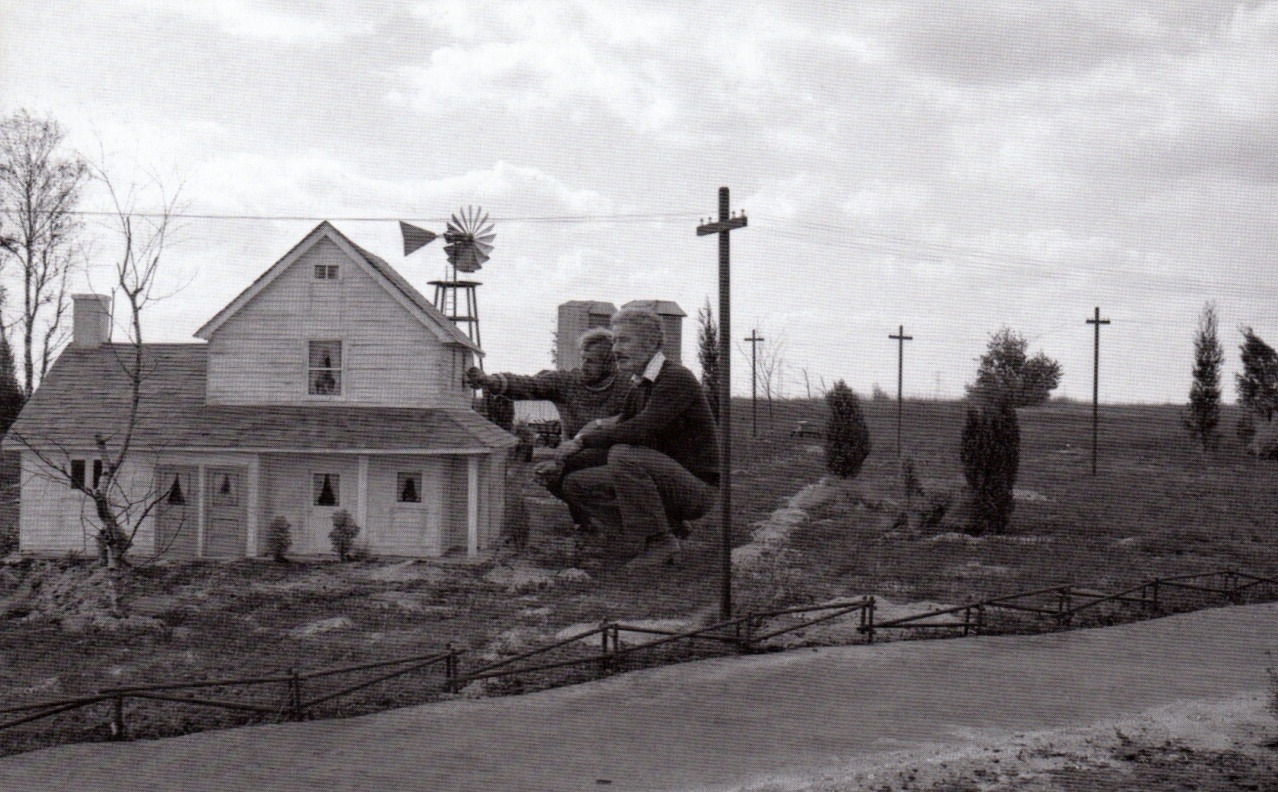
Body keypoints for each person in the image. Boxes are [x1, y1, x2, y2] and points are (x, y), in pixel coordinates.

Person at [559, 307, 719, 568]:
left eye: (624, 340)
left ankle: (660, 542)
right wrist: (563, 462)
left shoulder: (675, 378)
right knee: (576, 483)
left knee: (625, 454)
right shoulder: (640, 385)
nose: (615, 349)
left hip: (697, 489)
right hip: (664, 479)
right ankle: (665, 530)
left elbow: (638, 430)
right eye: (614, 341)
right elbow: (616, 433)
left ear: (651, 342)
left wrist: (580, 442)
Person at [466, 329, 629, 529]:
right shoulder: (567, 382)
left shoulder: (627, 387)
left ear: (610, 365)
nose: (584, 366)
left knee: (578, 474)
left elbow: (637, 419)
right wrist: (491, 381)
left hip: (612, 456)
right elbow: (530, 384)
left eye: (591, 361)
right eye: (583, 359)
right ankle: (585, 522)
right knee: (549, 475)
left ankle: (624, 524)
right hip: (571, 454)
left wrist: (598, 426)